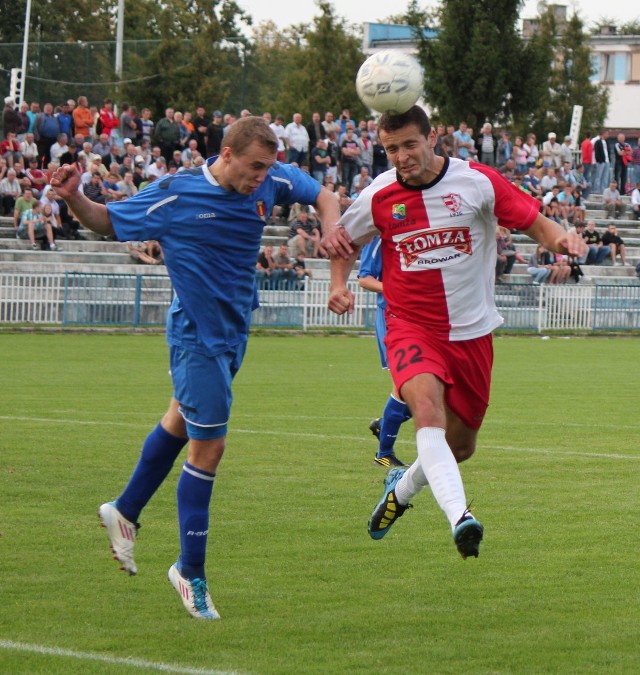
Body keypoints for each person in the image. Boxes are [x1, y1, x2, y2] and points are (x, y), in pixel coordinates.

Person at [51, 115, 340, 620]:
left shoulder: (272, 177)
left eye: (267, 168)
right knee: (211, 446)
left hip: (232, 334)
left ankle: (124, 511)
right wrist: (74, 198)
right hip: (196, 338)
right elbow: (107, 220)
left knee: (180, 423)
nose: (261, 179)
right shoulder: (176, 195)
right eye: (254, 167)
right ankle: (190, 570)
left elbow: (326, 197)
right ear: (226, 155)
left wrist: (332, 232)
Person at [321, 106, 586, 560]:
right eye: (391, 149)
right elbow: (344, 240)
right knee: (426, 412)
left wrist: (562, 240)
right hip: (410, 326)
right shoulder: (379, 195)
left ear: (432, 139)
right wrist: (338, 284)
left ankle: (400, 492)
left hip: (472, 332)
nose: (401, 157)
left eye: (409, 145)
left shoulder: (477, 182)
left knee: (460, 447)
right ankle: (461, 518)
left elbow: (536, 224)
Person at [358, 236, 411, 469]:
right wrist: (394, 290)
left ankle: (384, 425)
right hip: (393, 317)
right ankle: (384, 453)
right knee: (404, 383)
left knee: (439, 388)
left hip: (423, 317)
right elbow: (364, 278)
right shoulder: (381, 237)